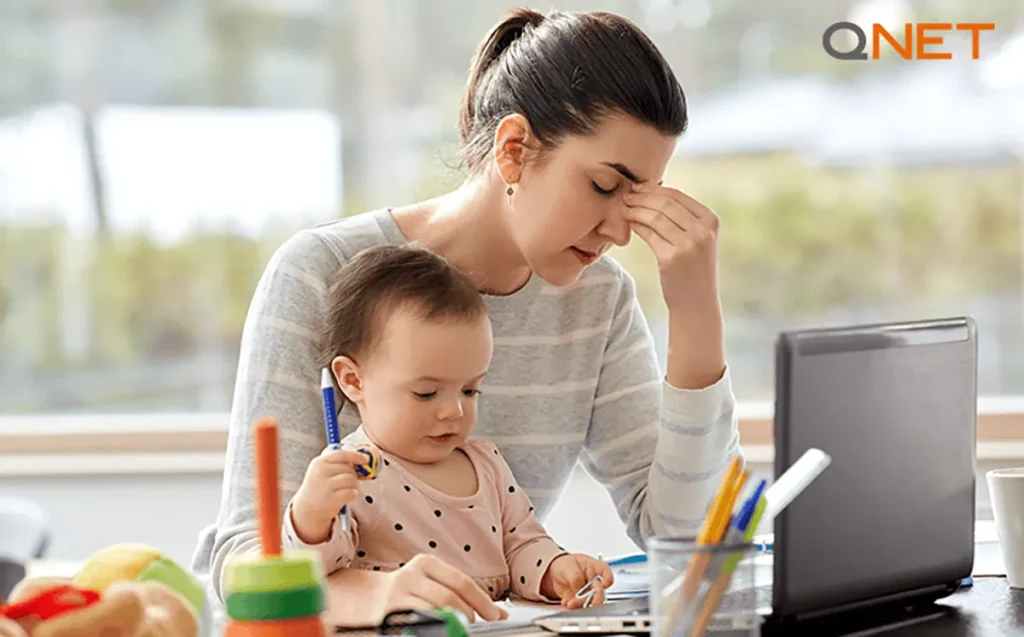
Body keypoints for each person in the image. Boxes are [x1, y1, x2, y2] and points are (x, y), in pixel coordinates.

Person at [192, 6, 741, 626]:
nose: (620, 231)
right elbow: (245, 562)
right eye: (605, 187)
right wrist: (379, 593)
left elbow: (690, 542)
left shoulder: (598, 299)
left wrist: (696, 316)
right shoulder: (321, 271)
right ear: (513, 150)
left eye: (640, 198)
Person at [283, 243, 614, 621]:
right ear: (353, 380)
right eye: (426, 393)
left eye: (470, 390)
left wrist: (556, 571)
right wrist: (311, 515)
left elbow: (522, 546)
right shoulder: (352, 472)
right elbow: (314, 576)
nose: (454, 410)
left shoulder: (487, 464)